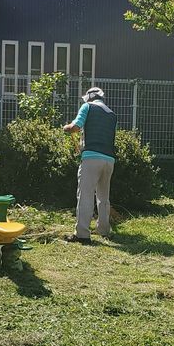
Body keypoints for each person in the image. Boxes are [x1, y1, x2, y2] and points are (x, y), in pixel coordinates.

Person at [63, 87, 117, 243]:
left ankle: (82, 234)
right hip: (109, 160)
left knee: (85, 195)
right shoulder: (112, 115)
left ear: (89, 98)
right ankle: (104, 230)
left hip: (91, 158)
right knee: (103, 197)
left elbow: (76, 127)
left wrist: (66, 128)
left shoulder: (87, 107)